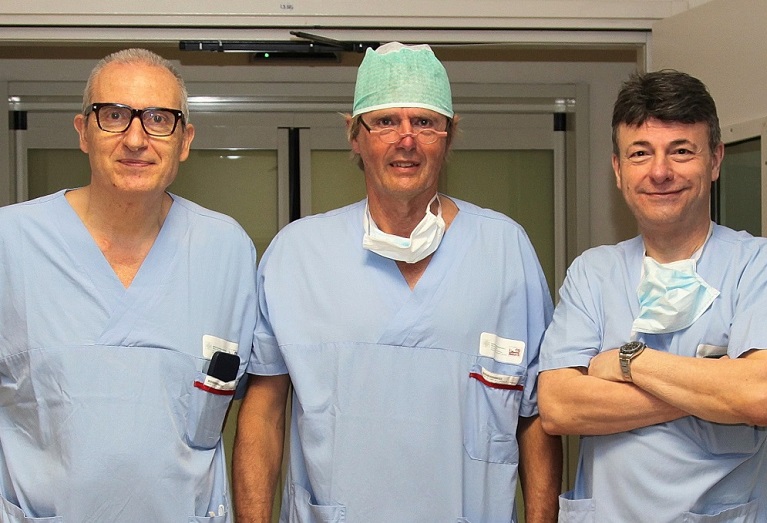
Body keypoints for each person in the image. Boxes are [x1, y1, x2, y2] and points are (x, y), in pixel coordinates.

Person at [233, 42, 562, 522]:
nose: (406, 139)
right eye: (385, 121)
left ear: (448, 137)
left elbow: (535, 416)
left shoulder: (505, 251)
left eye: (425, 122)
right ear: (355, 136)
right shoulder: (297, 256)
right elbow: (262, 414)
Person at [0, 48, 257, 522]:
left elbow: (254, 405)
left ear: (185, 140)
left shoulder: (227, 252)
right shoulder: (10, 245)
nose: (136, 139)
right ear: (83, 132)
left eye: (159, 119)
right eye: (114, 116)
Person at [538, 70, 767, 522]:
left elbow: (760, 394)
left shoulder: (756, 265)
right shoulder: (594, 272)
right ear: (618, 170)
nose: (660, 172)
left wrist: (628, 363)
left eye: (681, 151)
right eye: (640, 153)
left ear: (716, 160)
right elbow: (559, 405)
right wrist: (713, 387)